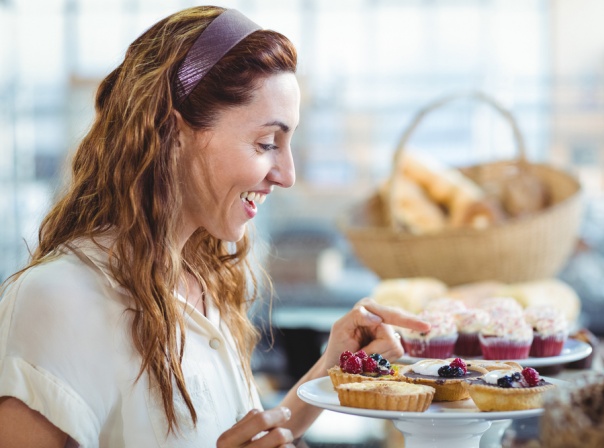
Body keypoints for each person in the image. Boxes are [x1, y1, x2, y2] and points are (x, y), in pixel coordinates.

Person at [0, 6, 430, 448]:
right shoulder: (59, 299)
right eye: (267, 143)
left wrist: (330, 369)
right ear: (173, 133)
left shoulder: (206, 276)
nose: (287, 174)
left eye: (289, 143)